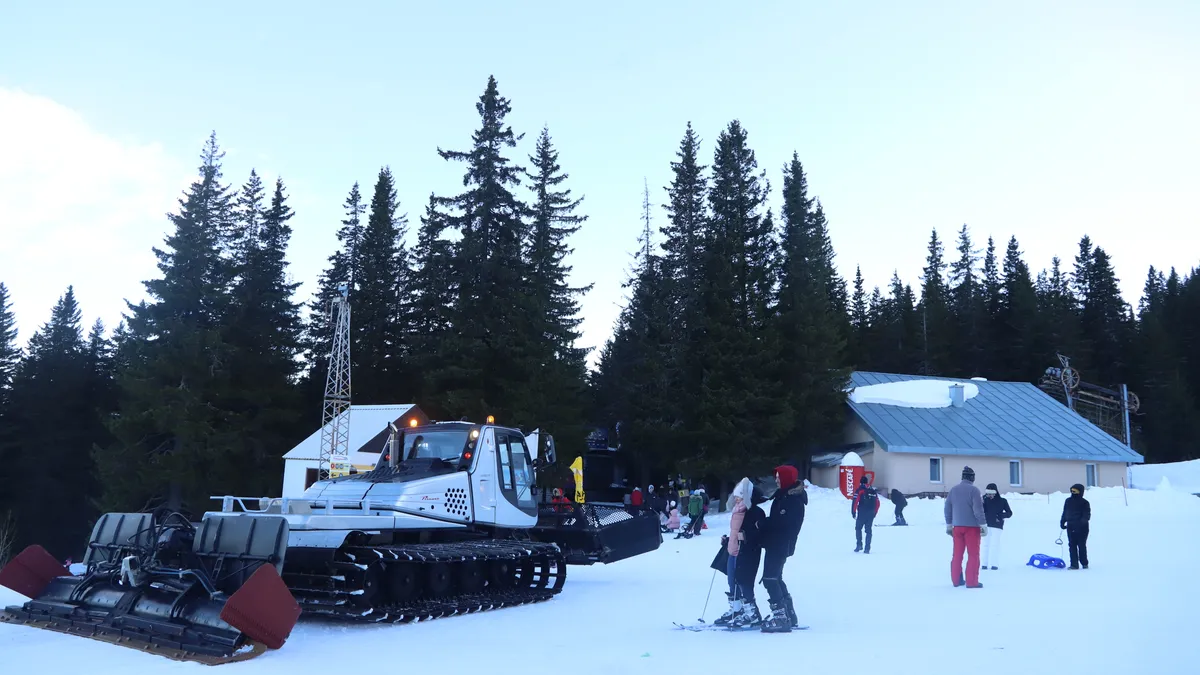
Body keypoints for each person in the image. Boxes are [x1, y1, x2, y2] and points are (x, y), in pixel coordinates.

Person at [757, 465, 807, 633]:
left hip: (780, 543)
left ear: (786, 478)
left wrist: (763, 523)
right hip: (776, 543)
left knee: (770, 579)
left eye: (779, 477)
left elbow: (783, 523)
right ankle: (789, 615)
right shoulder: (783, 496)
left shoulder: (792, 500)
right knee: (775, 578)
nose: (776, 480)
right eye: (776, 476)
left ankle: (781, 618)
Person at [715, 478, 757, 627]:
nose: (737, 498)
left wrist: (742, 537)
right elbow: (734, 530)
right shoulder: (736, 509)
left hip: (742, 552)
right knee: (731, 581)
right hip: (732, 550)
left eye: (739, 496)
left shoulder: (748, 510)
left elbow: (751, 531)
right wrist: (728, 540)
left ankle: (751, 612)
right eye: (736, 495)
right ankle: (736, 609)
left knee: (741, 582)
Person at [944, 465, 987, 589]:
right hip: (972, 528)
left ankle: (956, 580)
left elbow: (947, 508)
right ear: (972, 478)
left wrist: (949, 524)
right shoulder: (974, 491)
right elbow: (978, 510)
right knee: (973, 554)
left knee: (957, 554)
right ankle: (972, 581)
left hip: (957, 527)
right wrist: (983, 524)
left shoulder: (953, 490)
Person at [982, 483, 1012, 570]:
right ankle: (984, 564)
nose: (989, 495)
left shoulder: (1003, 501)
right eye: (988, 494)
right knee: (985, 545)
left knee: (995, 545)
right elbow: (980, 510)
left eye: (991, 493)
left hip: (997, 526)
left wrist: (1001, 516)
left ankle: (994, 564)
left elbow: (1009, 513)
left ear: (995, 492)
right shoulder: (984, 500)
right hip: (985, 525)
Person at [1060, 483, 1091, 569]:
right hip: (1070, 527)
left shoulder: (1085, 503)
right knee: (1072, 545)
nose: (1073, 492)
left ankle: (1084, 563)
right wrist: (1062, 521)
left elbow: (1086, 516)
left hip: (1082, 528)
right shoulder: (1068, 501)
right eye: (1072, 491)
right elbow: (1065, 512)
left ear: (1080, 492)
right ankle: (1074, 564)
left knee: (1081, 545)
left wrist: (1079, 524)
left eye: (1075, 491)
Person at [851, 476, 880, 553]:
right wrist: (874, 513)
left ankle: (859, 545)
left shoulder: (860, 490)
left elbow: (855, 501)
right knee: (868, 531)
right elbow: (878, 503)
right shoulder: (872, 490)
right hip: (871, 514)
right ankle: (867, 548)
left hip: (862, 513)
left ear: (860, 482)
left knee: (858, 528)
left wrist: (853, 512)